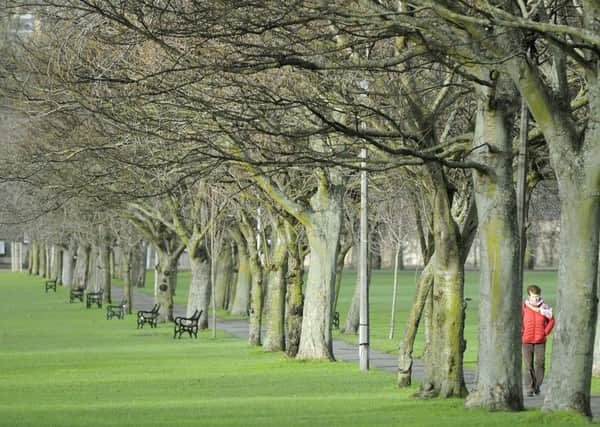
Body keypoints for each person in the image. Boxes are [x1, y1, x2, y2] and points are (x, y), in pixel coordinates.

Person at [522, 284, 555, 397]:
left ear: (540, 295)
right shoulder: (524, 307)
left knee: (540, 364)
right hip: (527, 340)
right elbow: (519, 320)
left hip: (540, 340)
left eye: (537, 296)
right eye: (532, 296)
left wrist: (545, 332)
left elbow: (551, 321)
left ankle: (537, 386)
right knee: (528, 365)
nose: (535, 299)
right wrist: (522, 332)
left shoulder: (544, 308)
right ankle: (529, 388)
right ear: (528, 296)